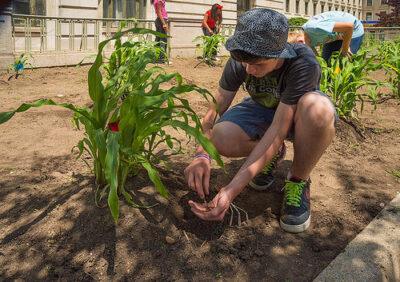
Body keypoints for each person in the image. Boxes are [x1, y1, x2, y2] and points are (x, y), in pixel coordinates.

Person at [184, 8, 336, 233]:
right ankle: (271, 157)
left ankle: (297, 180)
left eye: (259, 64)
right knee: (220, 135)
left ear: (280, 54)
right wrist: (201, 153)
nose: (249, 69)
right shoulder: (241, 58)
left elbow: (278, 130)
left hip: (297, 116)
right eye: (245, 62)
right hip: (262, 109)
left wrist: (231, 190)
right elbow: (215, 109)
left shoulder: (303, 63)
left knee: (318, 109)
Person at [299, 11, 364, 62]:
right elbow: (316, 59)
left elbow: (349, 27)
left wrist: (345, 48)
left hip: (353, 30)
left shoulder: (313, 27)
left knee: (345, 62)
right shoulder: (307, 42)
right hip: (336, 35)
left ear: (300, 41)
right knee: (326, 62)